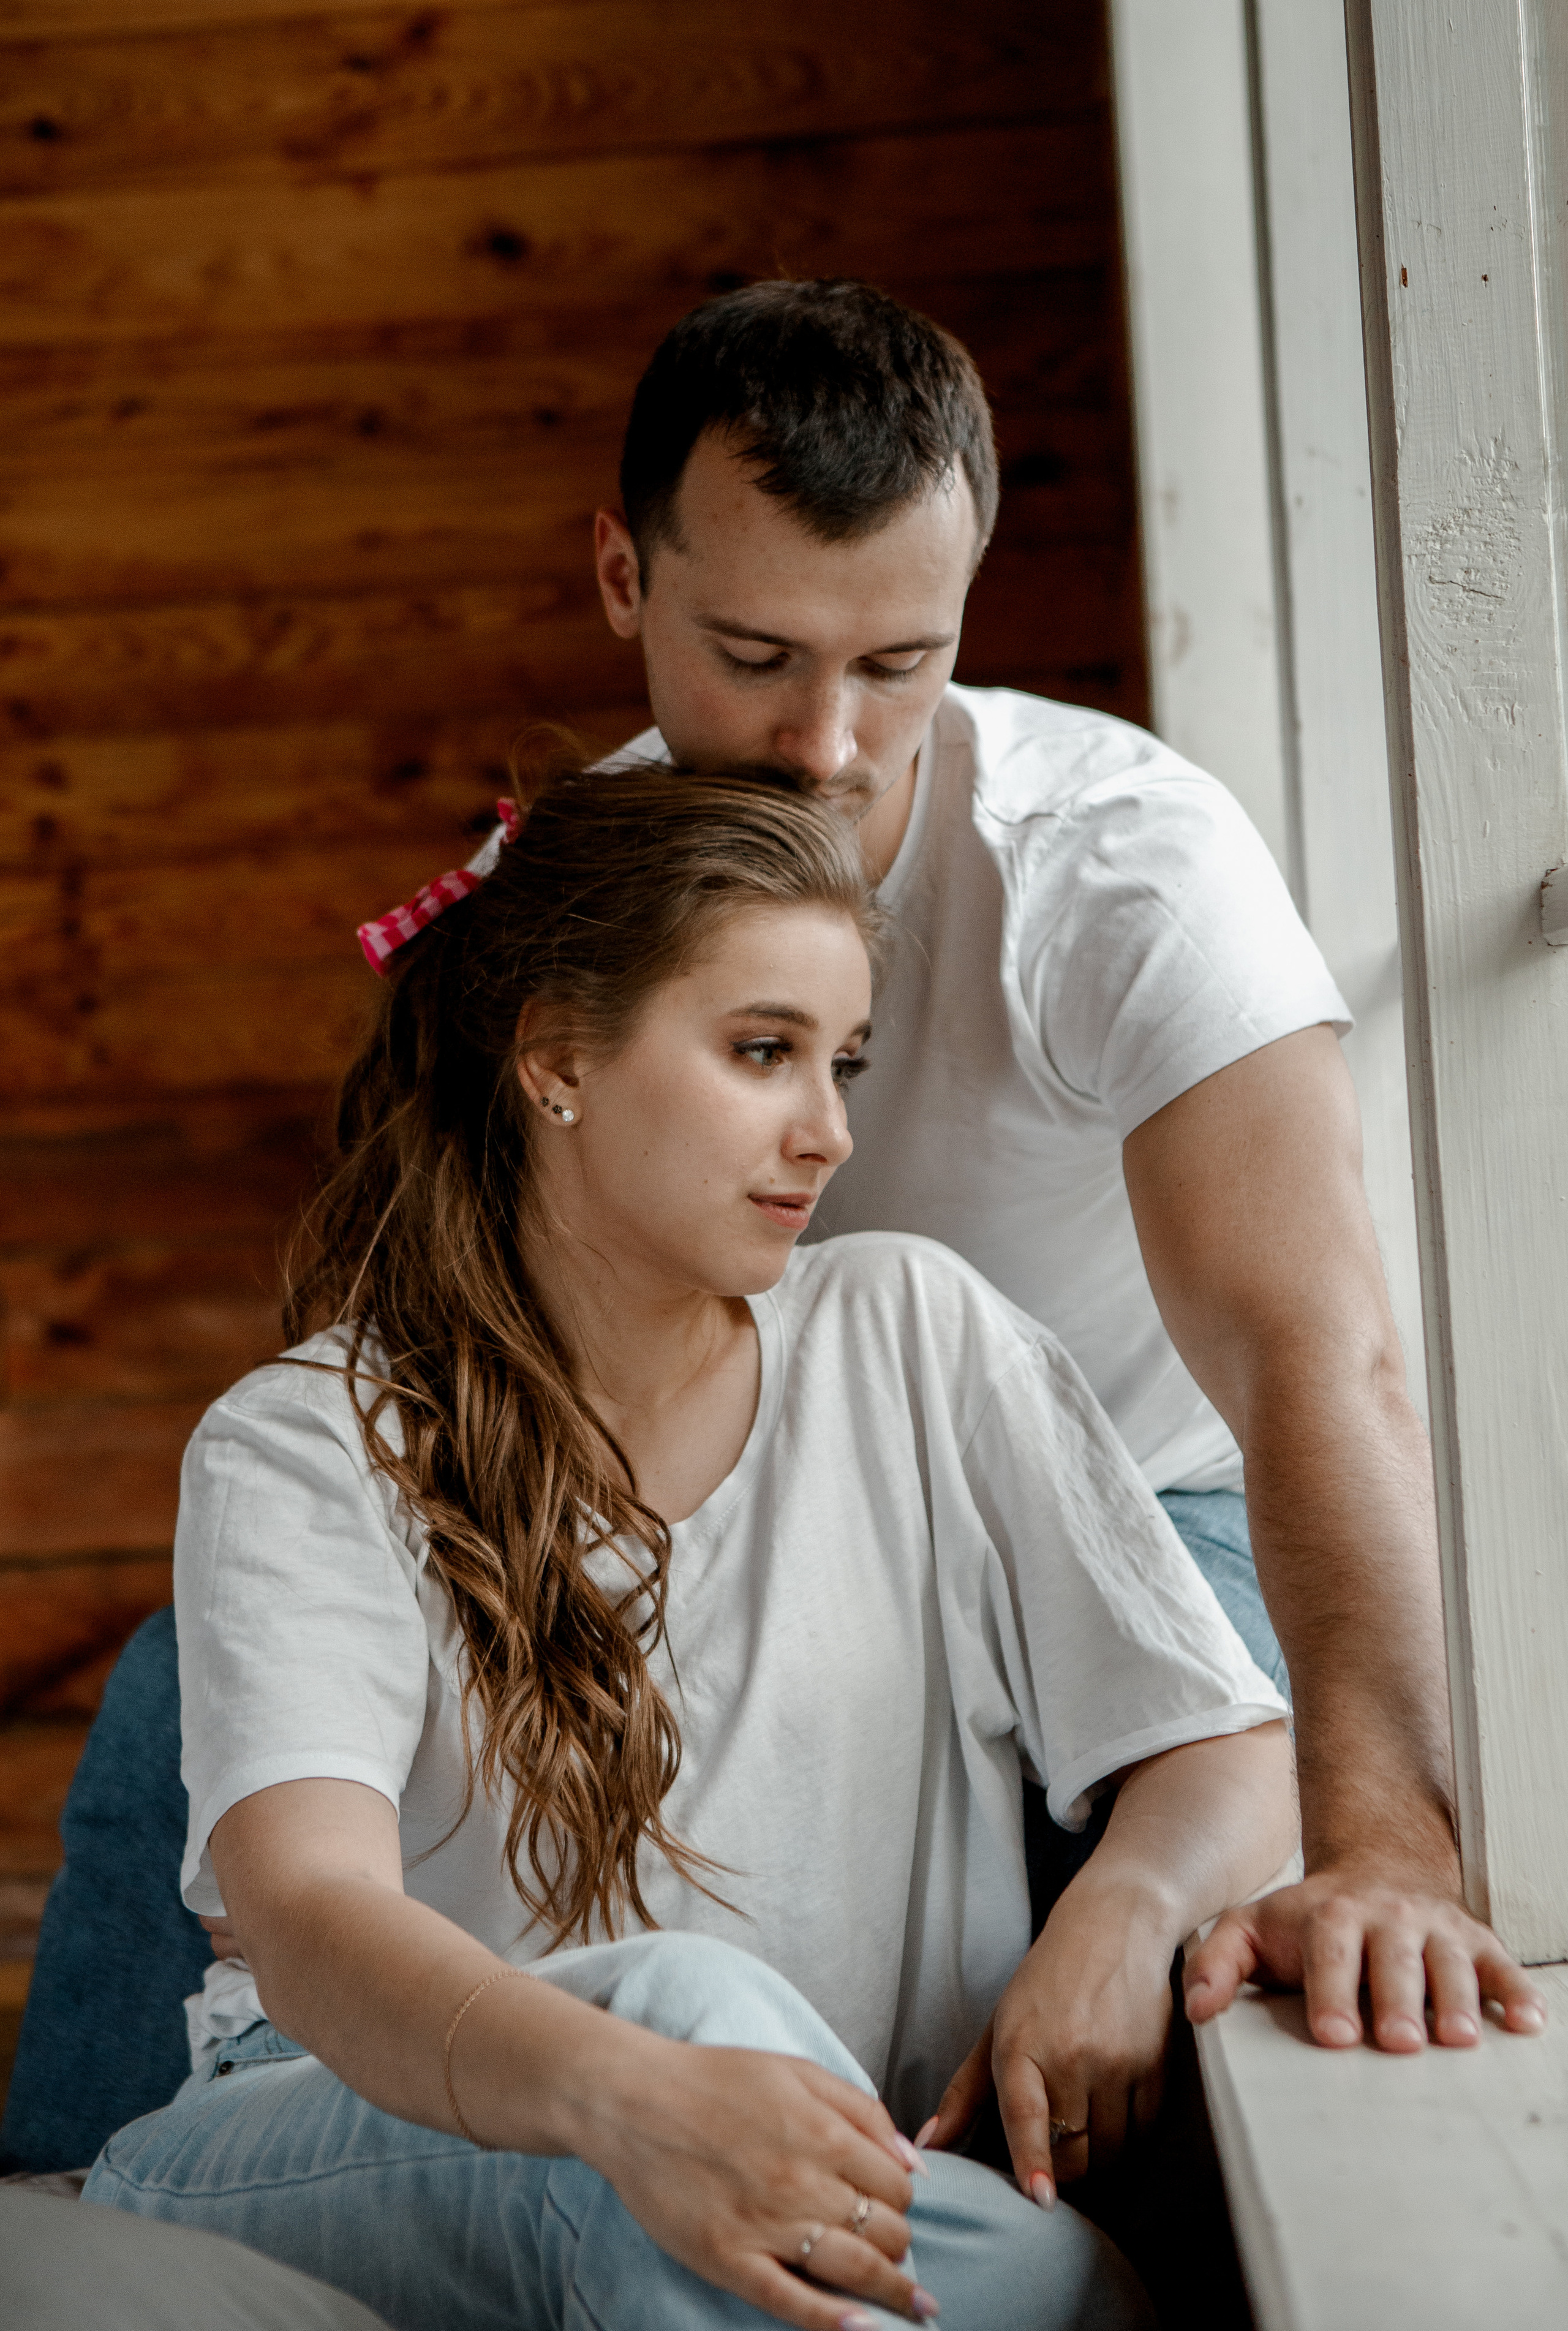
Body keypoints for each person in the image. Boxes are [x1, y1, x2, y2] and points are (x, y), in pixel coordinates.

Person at [86, 766, 1295, 2331]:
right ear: (557, 1057)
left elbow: (1218, 1743)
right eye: (760, 1053)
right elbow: (311, 1926)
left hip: (815, 2179)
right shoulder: (307, 1440)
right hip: (328, 2141)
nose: (829, 1132)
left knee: (1063, 2284)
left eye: (842, 1063)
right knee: (684, 2023)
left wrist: (1122, 1908)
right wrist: (624, 2099)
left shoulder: (916, 1339)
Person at [589, 277, 1547, 2053]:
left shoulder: (1125, 867)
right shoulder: (555, 903)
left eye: (898, 666)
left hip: (1154, 1504)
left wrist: (1390, 1854)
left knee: (1146, 1951)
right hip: (750, 1518)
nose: (827, 749)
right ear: (624, 581)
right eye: (756, 659)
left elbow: (1312, 1357)